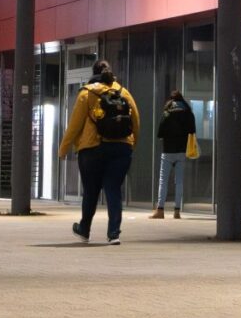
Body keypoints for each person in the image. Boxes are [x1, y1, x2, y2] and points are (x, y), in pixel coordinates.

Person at [59, 58, 140, 244]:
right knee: (113, 188)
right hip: (121, 148)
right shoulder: (124, 92)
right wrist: (131, 144)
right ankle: (114, 234)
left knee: (91, 190)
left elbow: (75, 125)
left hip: (92, 149)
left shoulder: (87, 93)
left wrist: (63, 149)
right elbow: (136, 121)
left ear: (93, 73)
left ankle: (84, 230)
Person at [150, 89, 199, 219]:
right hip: (181, 151)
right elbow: (192, 130)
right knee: (179, 181)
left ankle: (160, 210)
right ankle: (177, 211)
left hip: (167, 151)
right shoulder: (187, 112)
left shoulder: (167, 112)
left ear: (171, 100)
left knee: (163, 181)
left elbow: (160, 133)